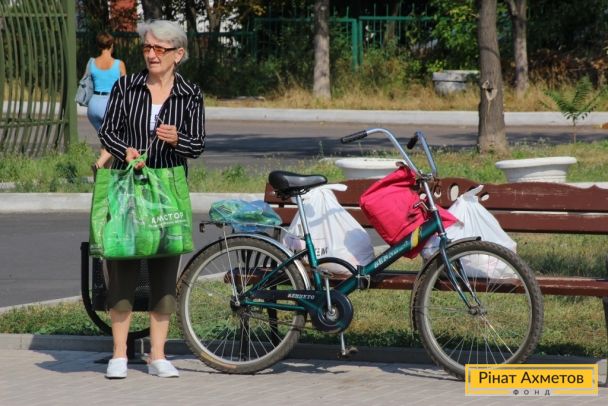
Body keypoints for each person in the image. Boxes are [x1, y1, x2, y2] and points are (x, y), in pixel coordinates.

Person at [97, 20, 206, 379]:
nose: (152, 54)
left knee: (164, 272)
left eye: (160, 48)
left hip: (168, 190)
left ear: (178, 54)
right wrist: (125, 151)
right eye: (147, 47)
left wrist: (177, 139)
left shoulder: (190, 93)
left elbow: (197, 144)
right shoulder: (126, 86)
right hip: (128, 188)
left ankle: (158, 355)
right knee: (123, 267)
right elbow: (108, 131)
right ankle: (118, 355)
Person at [87, 32, 127, 170]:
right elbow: (125, 87)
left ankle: (104, 174)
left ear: (99, 46)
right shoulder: (119, 64)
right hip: (110, 104)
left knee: (105, 140)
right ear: (111, 45)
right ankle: (98, 164)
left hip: (93, 105)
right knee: (117, 139)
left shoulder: (92, 63)